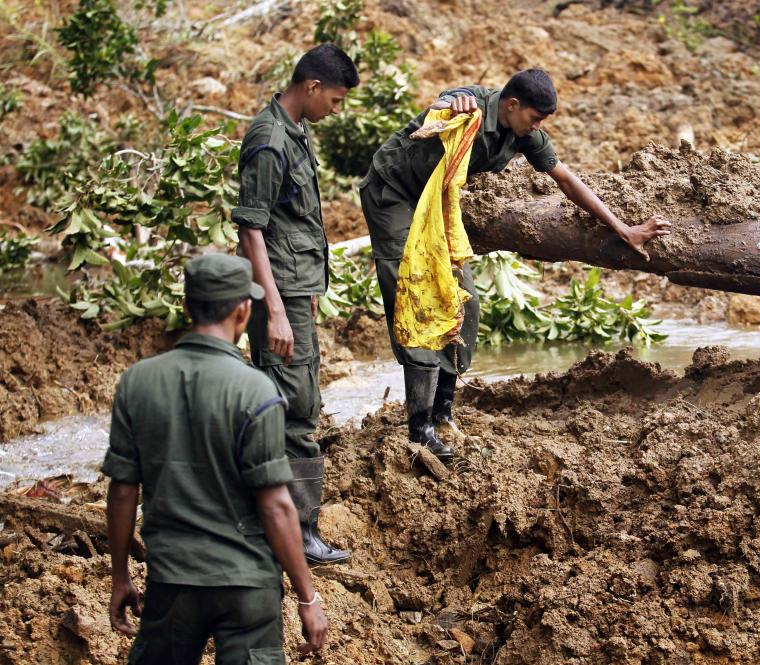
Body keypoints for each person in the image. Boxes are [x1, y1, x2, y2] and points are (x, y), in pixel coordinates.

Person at [360, 68, 672, 462]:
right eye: (535, 118)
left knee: (465, 302)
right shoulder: (470, 104)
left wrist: (623, 228)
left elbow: (565, 179)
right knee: (421, 301)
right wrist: (449, 103)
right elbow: (445, 101)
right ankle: (419, 432)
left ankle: (442, 414)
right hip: (393, 194)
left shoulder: (522, 131)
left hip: (437, 204)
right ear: (512, 105)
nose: (537, 127)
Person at [103, 253, 328, 664]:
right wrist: (306, 596)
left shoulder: (137, 382)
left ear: (186, 307)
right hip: (248, 590)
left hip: (172, 582)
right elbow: (276, 505)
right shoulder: (256, 390)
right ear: (244, 310)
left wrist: (119, 578)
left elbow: (122, 492)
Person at [232, 44, 360, 565]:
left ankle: (271, 522)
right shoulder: (268, 140)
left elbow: (292, 225)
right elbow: (252, 228)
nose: (337, 111)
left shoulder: (294, 131)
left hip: (293, 290)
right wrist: (277, 307)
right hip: (278, 295)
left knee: (292, 402)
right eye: (334, 99)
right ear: (310, 87)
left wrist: (300, 298)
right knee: (296, 412)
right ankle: (298, 531)